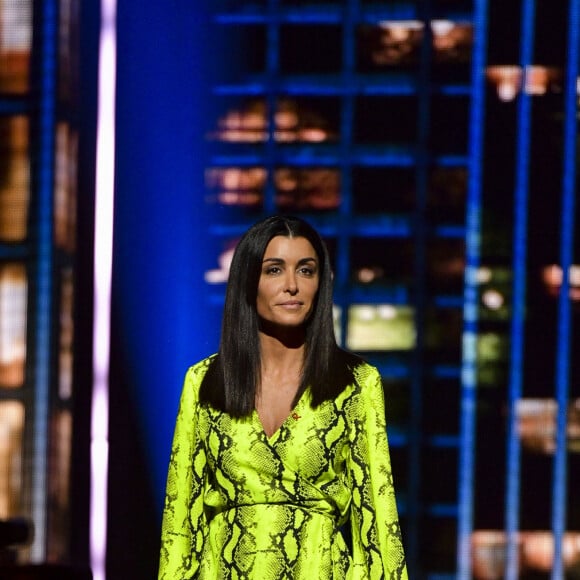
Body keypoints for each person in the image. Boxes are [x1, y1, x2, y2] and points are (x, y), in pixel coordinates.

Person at [158, 215, 407, 579]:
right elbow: (180, 517)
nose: (292, 285)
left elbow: (377, 515)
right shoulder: (204, 381)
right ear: (248, 280)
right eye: (274, 270)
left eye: (306, 271)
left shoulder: (356, 383)